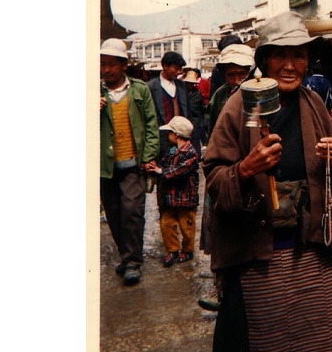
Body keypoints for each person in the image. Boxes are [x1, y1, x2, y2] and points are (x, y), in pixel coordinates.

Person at [202, 11, 332, 352]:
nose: (290, 65)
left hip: (315, 255)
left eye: (299, 55)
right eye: (280, 54)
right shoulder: (238, 106)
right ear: (264, 59)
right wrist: (245, 168)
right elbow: (214, 180)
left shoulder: (315, 104)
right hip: (261, 259)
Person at [198, 43, 255, 312]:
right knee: (218, 229)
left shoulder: (258, 95)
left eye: (241, 74)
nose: (235, 80)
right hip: (223, 172)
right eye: (231, 74)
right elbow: (212, 135)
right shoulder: (221, 95)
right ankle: (221, 288)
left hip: (248, 170)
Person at [100, 38, 160, 286]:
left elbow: (151, 125)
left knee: (132, 213)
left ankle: (133, 261)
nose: (106, 70)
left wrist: (148, 157)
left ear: (124, 65)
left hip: (133, 165)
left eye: (111, 64)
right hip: (104, 168)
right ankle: (126, 256)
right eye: (102, 64)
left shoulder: (139, 90)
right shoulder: (91, 93)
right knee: (113, 214)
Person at [144, 116, 200, 267]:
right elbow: (163, 164)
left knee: (186, 225)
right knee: (166, 223)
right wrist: (155, 167)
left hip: (185, 198)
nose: (167, 136)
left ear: (176, 135)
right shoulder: (171, 151)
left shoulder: (191, 153)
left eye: (169, 133)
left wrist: (161, 171)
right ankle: (172, 250)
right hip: (170, 198)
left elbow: (179, 171)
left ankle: (187, 250)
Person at [146, 51, 189, 159]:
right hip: (160, 140)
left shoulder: (182, 86)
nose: (179, 72)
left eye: (180, 69)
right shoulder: (151, 87)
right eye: (176, 68)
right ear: (165, 66)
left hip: (179, 139)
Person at [183, 69, 206, 159]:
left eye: (192, 83)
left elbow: (202, 108)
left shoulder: (197, 93)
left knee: (196, 141)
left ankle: (196, 158)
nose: (190, 85)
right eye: (188, 83)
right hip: (185, 119)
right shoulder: (182, 92)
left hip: (196, 121)